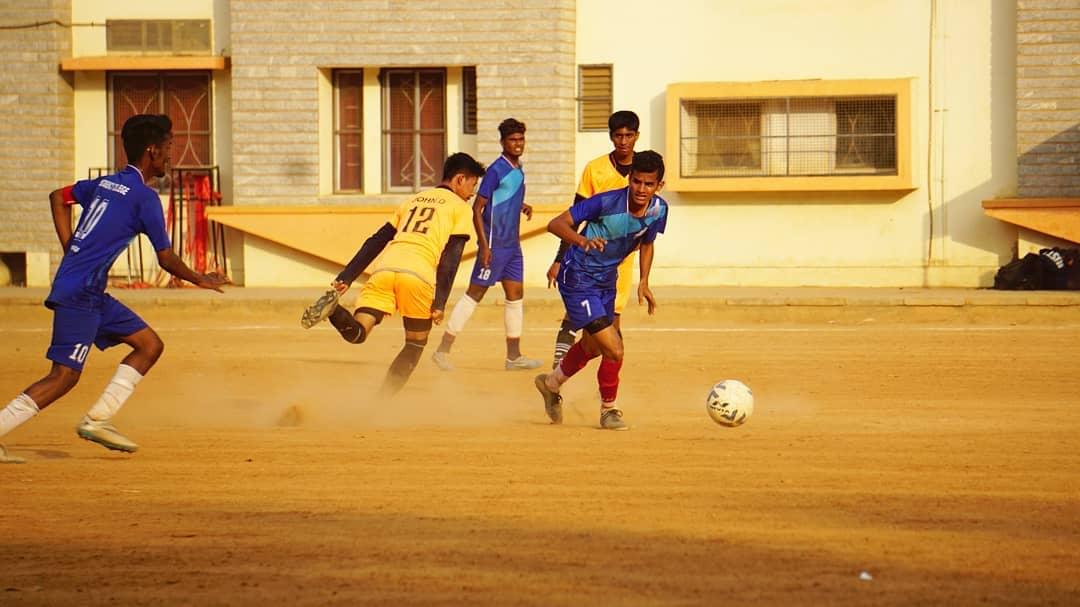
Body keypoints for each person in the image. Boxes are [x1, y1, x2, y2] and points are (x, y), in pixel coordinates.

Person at [0, 114, 227, 463]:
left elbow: (57, 198)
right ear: (152, 151)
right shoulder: (144, 198)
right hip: (81, 294)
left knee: (149, 345)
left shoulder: (105, 183)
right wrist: (202, 279)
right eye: (168, 149)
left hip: (89, 291)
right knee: (63, 377)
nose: (170, 157)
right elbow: (165, 258)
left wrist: (71, 248)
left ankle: (98, 419)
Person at [300, 152, 486, 396]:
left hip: (384, 270)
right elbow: (451, 259)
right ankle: (381, 402)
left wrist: (347, 276)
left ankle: (334, 310)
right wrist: (440, 302)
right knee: (415, 344)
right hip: (417, 275)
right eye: (473, 184)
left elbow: (377, 240)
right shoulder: (460, 208)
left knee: (358, 332)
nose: (472, 192)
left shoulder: (413, 200)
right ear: (460, 179)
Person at [534, 150, 669, 431]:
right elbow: (556, 224)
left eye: (649, 184)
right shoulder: (606, 202)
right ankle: (609, 410)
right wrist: (581, 240)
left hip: (607, 280)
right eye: (637, 182)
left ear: (659, 186)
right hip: (578, 278)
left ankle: (551, 384)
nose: (641, 189)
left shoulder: (659, 210)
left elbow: (647, 243)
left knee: (592, 347)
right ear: (629, 179)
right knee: (615, 349)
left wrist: (644, 281)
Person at [431, 118, 541, 372]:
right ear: (502, 142)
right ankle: (442, 350)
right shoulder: (495, 170)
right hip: (494, 244)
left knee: (515, 296)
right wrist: (485, 245)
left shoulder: (518, 167)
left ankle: (513, 357)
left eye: (521, 139)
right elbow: (477, 208)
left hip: (513, 246)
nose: (518, 144)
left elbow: (505, 197)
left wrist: (522, 205)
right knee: (475, 294)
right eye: (512, 140)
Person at [547, 110, 641, 369]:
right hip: (588, 258)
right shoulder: (595, 169)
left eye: (629, 135)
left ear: (637, 136)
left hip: (622, 262)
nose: (623, 141)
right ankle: (558, 365)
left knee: (611, 325)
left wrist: (645, 278)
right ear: (611, 137)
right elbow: (573, 218)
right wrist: (559, 258)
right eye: (618, 136)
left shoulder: (643, 173)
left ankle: (604, 397)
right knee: (578, 313)